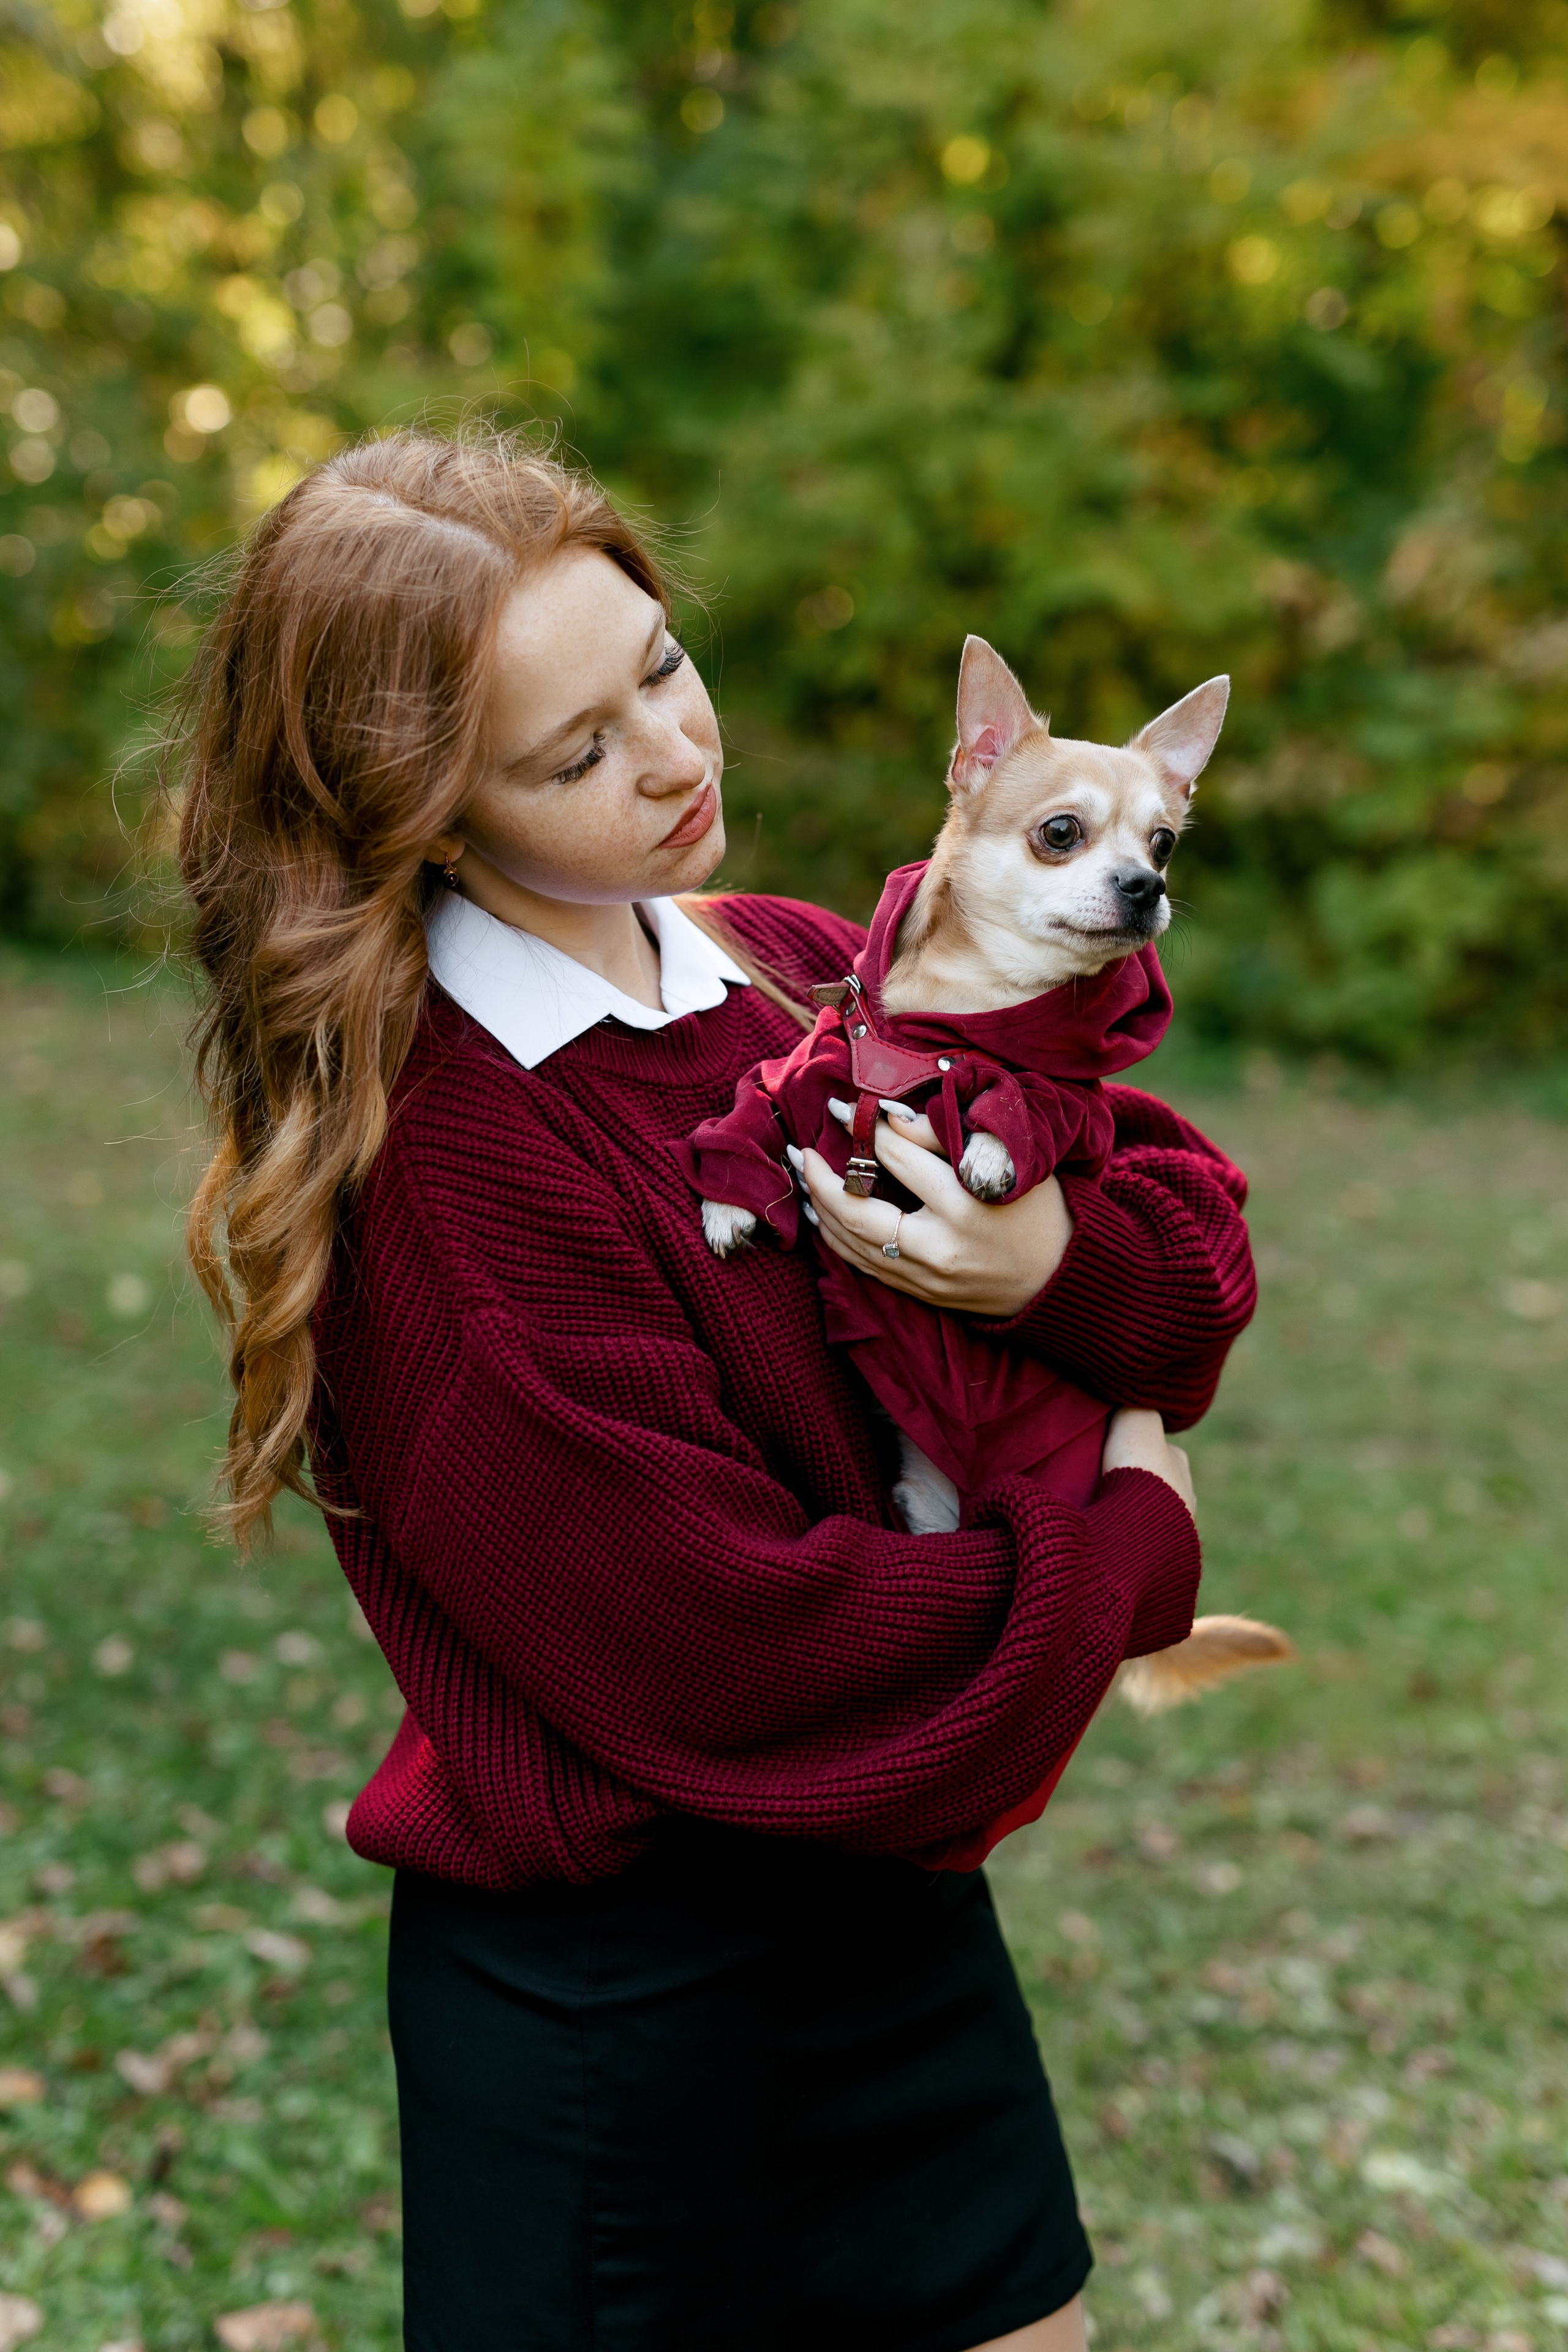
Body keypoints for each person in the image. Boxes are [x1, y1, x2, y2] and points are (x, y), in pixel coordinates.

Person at [177, 430, 1255, 2352]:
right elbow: (743, 1649)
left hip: (899, 1930)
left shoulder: (794, 972)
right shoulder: (454, 1170)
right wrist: (1127, 1546)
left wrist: (1054, 1270)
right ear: (418, 806)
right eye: (575, 754)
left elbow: (1181, 1264)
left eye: (661, 668)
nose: (676, 759)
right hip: (638, 2011)